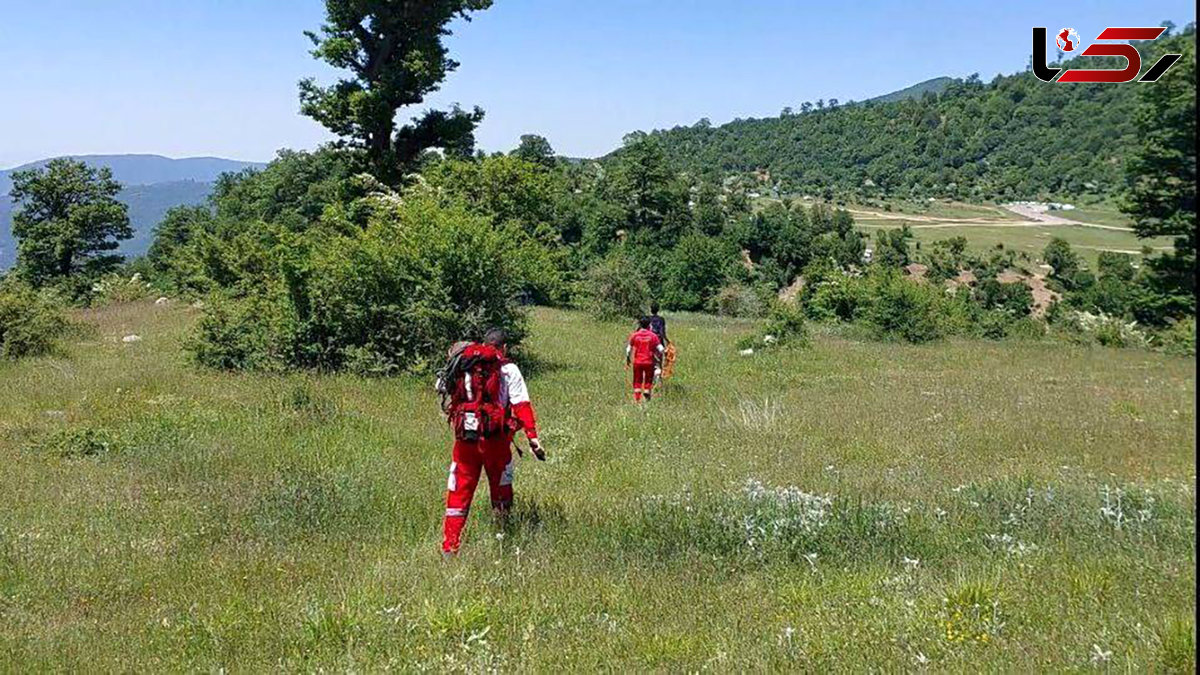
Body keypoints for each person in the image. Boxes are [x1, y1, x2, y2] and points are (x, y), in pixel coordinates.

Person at [439, 329, 544, 556]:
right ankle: (502, 537)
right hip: (496, 441)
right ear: (503, 348)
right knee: (501, 489)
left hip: (465, 440)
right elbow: (521, 405)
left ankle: (450, 546)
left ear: (485, 344)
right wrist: (533, 438)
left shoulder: (465, 363)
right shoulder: (508, 369)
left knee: (459, 491)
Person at [626, 316, 664, 402]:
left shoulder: (635, 335)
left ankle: (637, 399)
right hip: (649, 361)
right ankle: (647, 392)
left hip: (638, 361)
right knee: (648, 379)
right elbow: (661, 349)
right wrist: (658, 358)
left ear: (640, 324)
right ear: (649, 325)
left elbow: (628, 349)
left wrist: (628, 358)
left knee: (637, 380)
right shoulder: (653, 336)